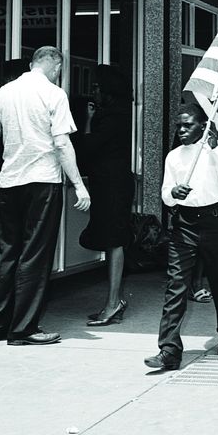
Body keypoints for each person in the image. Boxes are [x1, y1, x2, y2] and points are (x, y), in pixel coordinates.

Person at [0, 46, 91, 346]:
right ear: (56, 67)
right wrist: (78, 184)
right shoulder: (54, 94)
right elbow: (63, 145)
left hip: (8, 181)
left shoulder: (4, 93)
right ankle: (24, 329)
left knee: (8, 253)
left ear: (32, 64)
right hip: (42, 182)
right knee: (35, 256)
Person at [144, 102, 218, 372]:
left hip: (216, 221)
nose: (182, 130)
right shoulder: (174, 156)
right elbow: (164, 192)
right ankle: (169, 350)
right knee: (176, 285)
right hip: (185, 224)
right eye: (179, 125)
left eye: (188, 125)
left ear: (203, 125)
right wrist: (174, 193)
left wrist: (214, 149)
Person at [76, 64, 135, 327]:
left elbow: (89, 147)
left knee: (114, 240)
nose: (93, 91)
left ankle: (113, 303)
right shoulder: (117, 114)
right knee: (113, 240)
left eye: (97, 86)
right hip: (110, 183)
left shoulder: (113, 118)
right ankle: (115, 301)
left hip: (112, 185)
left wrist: (88, 121)